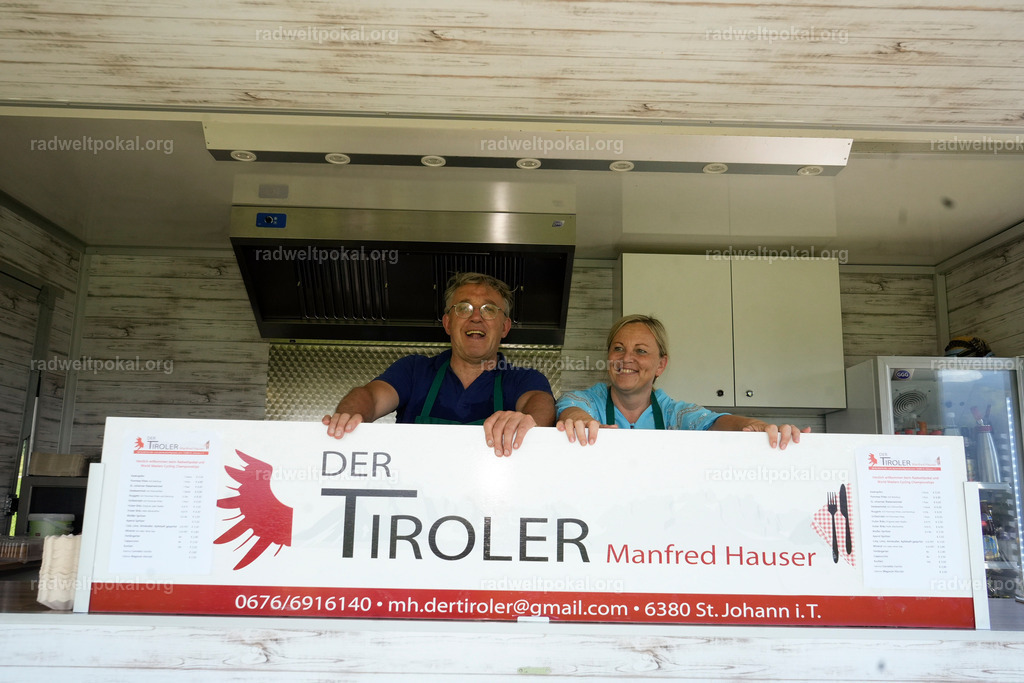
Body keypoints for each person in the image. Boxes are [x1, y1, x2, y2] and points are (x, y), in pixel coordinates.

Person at [323, 272, 556, 457]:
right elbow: (370, 397)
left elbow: (541, 403)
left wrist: (529, 421)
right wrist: (350, 415)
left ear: (505, 327)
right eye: (463, 308)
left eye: (489, 309)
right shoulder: (413, 370)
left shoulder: (524, 379)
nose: (476, 317)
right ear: (447, 323)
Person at [556, 314, 809, 449]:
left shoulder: (675, 414)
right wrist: (580, 420)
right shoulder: (588, 401)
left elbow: (713, 422)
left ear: (661, 365)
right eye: (618, 348)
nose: (627, 358)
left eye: (641, 351)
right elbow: (570, 408)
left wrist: (755, 425)